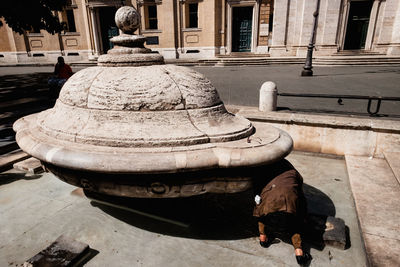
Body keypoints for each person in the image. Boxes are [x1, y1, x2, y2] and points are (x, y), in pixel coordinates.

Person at [253, 159, 312, 266]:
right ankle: (299, 253)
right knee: (296, 224)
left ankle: (263, 239)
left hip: (269, 207)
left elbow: (257, 186)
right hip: (288, 207)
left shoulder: (264, 168)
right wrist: (302, 214)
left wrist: (258, 199)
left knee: (261, 212)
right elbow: (300, 193)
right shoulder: (292, 171)